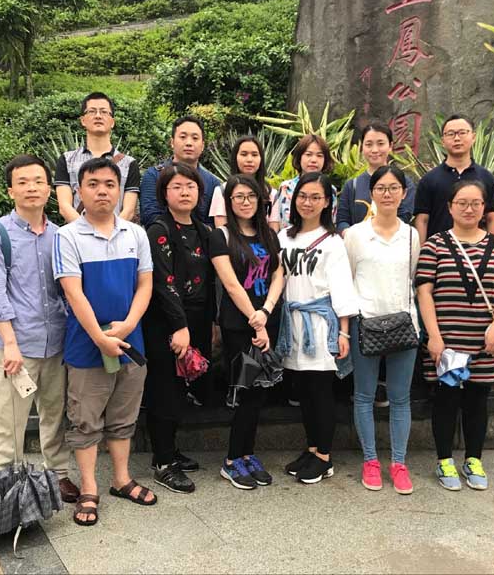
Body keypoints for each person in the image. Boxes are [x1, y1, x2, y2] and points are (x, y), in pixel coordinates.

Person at [54, 157, 155, 526]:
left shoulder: (136, 234)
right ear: (79, 191)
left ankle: (121, 479)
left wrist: (127, 327)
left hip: (131, 342)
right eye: (93, 184)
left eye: (110, 184)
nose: (102, 191)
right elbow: (73, 292)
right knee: (85, 420)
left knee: (124, 415)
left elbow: (145, 284)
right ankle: (89, 487)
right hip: (86, 346)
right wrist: (100, 338)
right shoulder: (67, 236)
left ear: (120, 190)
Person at [0, 154, 79, 505]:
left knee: (55, 416)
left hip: (57, 344)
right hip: (17, 347)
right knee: (7, 424)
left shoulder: (61, 236)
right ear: (11, 191)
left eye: (38, 181)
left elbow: (69, 290)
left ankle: (58, 474)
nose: (31, 188)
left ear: (49, 189)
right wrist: (9, 342)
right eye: (22, 182)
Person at [416, 180, 494, 492]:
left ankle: (474, 459)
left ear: (484, 208)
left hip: (486, 339)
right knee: (445, 400)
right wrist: (434, 336)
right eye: (462, 203)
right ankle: (444, 459)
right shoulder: (434, 245)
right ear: (450, 207)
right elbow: (424, 291)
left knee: (477, 401)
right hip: (446, 340)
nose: (469, 209)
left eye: (475, 203)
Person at [276, 172, 358, 484]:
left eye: (315, 197)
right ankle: (311, 449)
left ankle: (324, 456)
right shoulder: (284, 238)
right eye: (302, 196)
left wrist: (344, 332)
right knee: (304, 391)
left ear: (327, 203)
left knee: (321, 390)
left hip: (321, 325)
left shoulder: (333, 242)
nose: (307, 202)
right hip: (293, 324)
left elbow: (342, 287)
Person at [344, 165, 420, 494]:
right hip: (366, 323)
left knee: (400, 398)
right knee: (364, 395)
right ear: (371, 193)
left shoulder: (412, 235)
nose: (387, 194)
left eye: (393, 188)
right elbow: (347, 279)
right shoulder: (354, 235)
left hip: (403, 323)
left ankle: (399, 463)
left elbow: (412, 278)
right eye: (380, 188)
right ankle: (371, 461)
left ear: (404, 193)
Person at [143, 162, 215, 494]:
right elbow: (164, 281)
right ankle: (162, 463)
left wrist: (210, 323)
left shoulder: (203, 230)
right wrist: (179, 326)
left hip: (195, 321)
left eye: (190, 186)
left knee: (181, 389)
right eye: (177, 186)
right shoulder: (158, 230)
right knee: (165, 390)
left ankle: (170, 450)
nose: (184, 192)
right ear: (164, 193)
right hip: (166, 323)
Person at [209, 176, 284, 489]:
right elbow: (230, 283)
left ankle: (248, 453)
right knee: (243, 390)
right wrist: (255, 320)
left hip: (267, 319)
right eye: (238, 196)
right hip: (239, 325)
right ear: (229, 201)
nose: (245, 202)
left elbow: (279, 273)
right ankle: (231, 460)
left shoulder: (269, 234)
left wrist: (266, 312)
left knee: (259, 392)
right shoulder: (221, 235)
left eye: (251, 196)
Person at [54, 92, 141, 223]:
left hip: (116, 234)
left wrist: (111, 231)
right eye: (92, 111)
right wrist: (85, 231)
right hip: (77, 234)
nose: (98, 116)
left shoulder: (129, 163)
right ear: (83, 120)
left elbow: (128, 210)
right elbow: (65, 207)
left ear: (112, 122)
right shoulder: (67, 160)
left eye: (104, 112)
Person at [414, 115, 494, 244]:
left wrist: (491, 249)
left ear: (473, 137)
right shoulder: (429, 179)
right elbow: (422, 220)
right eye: (451, 134)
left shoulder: (486, 177)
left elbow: (492, 218)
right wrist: (422, 250)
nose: (456, 138)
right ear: (442, 141)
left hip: (477, 250)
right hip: (439, 250)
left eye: (462, 133)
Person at [140, 115, 222, 227]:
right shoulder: (154, 175)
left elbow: (214, 223)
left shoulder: (212, 183)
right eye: (183, 137)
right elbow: (150, 216)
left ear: (202, 145)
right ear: (172, 142)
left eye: (195, 138)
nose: (189, 143)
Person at [337, 121, 415, 231]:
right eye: (369, 144)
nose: (374, 150)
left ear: (390, 146)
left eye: (380, 144)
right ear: (362, 146)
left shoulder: (404, 183)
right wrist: (351, 235)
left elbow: (404, 217)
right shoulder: (352, 185)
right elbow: (342, 221)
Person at [209, 135, 280, 231]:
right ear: (235, 158)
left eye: (254, 155)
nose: (249, 159)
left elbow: (273, 233)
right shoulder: (222, 191)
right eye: (244, 154)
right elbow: (222, 231)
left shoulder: (272, 194)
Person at [271, 134, 338, 231]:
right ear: (299, 157)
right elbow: (280, 222)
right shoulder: (286, 188)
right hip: (290, 237)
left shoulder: (330, 190)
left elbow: (331, 223)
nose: (314, 160)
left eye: (319, 155)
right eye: (308, 154)